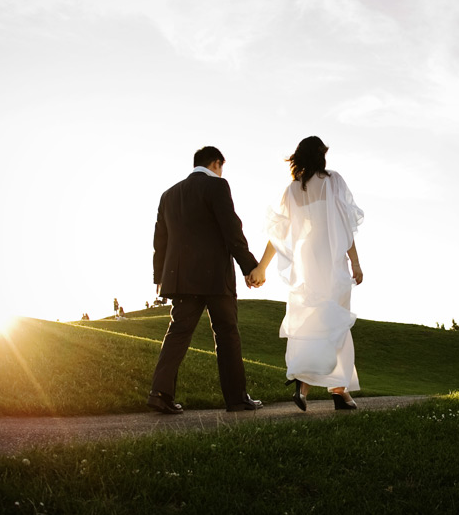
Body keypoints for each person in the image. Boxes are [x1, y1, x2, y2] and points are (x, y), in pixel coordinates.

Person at [247, 136, 364, 411]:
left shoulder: (291, 191)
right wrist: (356, 263)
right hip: (330, 257)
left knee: (309, 322)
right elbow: (345, 228)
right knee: (335, 322)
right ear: (321, 156)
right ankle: (338, 391)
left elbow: (278, 235)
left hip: (305, 261)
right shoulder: (333, 181)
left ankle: (303, 385)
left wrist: (262, 267)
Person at [148, 146, 263, 414]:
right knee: (226, 334)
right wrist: (250, 267)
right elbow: (232, 230)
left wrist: (159, 277)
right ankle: (236, 398)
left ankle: (159, 393)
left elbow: (160, 241)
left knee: (177, 333)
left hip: (180, 278)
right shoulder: (218, 186)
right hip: (214, 277)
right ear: (216, 163)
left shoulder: (169, 195)